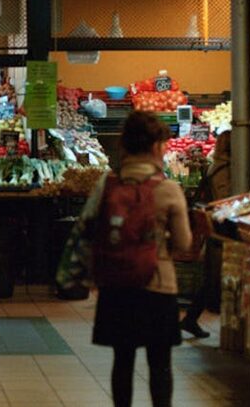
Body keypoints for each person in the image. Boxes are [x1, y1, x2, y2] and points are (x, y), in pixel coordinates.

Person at [85, 111, 192, 407]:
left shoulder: (107, 185)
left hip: (116, 284)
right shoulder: (168, 189)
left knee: (123, 361)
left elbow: (90, 229)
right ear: (157, 147)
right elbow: (184, 243)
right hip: (157, 285)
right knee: (160, 364)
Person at [179, 129, 231, 339]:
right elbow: (225, 197)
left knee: (211, 280)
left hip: (216, 231)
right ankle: (191, 319)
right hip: (221, 231)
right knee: (213, 279)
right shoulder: (223, 170)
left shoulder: (216, 167)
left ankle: (190, 319)